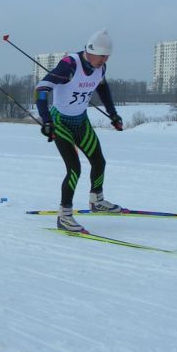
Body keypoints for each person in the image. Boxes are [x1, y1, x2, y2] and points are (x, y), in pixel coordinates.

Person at [35, 29, 124, 233]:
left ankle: (97, 200)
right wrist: (46, 120)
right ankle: (64, 216)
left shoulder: (100, 67)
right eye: (101, 55)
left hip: (81, 121)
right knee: (74, 169)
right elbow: (41, 89)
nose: (104, 59)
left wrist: (113, 114)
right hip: (61, 122)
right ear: (90, 51)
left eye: (107, 56)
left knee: (99, 161)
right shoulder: (70, 65)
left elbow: (102, 88)